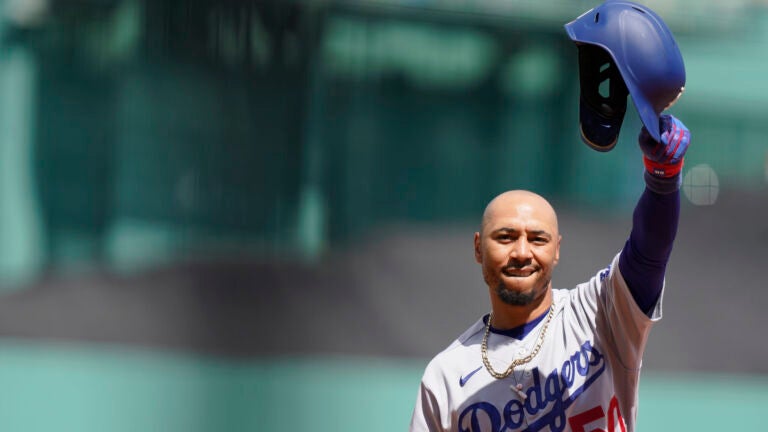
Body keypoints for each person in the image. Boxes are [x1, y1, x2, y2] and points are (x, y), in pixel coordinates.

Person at [409, 113, 690, 432]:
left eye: (537, 239)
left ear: (556, 249)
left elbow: (648, 254)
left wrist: (663, 180)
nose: (522, 252)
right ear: (478, 248)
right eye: (505, 236)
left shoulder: (597, 312)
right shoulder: (445, 377)